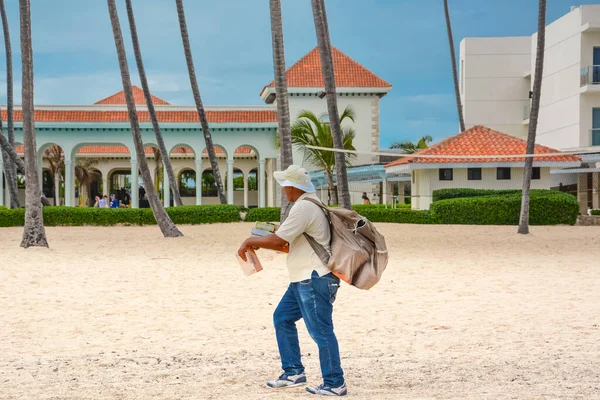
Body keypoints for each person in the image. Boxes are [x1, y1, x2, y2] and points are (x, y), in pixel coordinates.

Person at [237, 165, 346, 396]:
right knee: (282, 318)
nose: (284, 189)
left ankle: (335, 382)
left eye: (285, 185)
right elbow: (289, 245)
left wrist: (249, 241)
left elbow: (278, 241)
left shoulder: (304, 207)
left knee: (321, 331)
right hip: (303, 278)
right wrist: (263, 241)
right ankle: (293, 371)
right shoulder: (311, 204)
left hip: (313, 278)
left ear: (291, 187)